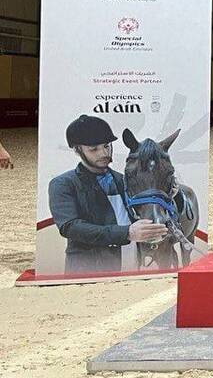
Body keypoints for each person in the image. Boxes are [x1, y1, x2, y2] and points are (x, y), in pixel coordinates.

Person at [48, 114, 168, 274]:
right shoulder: (62, 183)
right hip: (89, 271)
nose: (103, 153)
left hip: (133, 265)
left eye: (106, 146)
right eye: (94, 149)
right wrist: (127, 233)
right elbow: (70, 227)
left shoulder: (124, 179)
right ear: (77, 150)